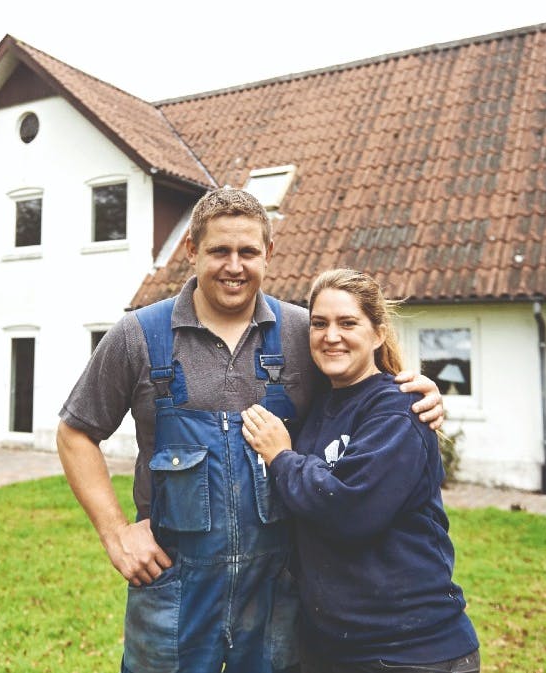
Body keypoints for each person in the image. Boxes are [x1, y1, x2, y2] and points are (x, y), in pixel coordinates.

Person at [57, 189, 446, 673]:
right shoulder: (138, 335)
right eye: (219, 251)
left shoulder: (305, 333)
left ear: (269, 254)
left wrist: (415, 391)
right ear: (192, 252)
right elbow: (75, 433)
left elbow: (362, 384)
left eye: (248, 252)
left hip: (278, 591)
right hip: (174, 590)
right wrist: (116, 534)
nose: (234, 266)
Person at [241, 268, 479, 673]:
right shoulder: (321, 406)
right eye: (319, 324)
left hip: (411, 653)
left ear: (378, 333)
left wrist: (281, 457)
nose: (331, 335)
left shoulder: (398, 410)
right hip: (337, 650)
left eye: (347, 322)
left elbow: (348, 510)